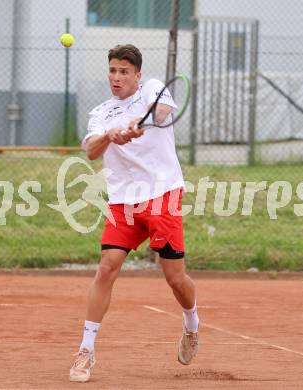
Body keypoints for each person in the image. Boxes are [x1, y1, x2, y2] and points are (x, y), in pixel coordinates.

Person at [69, 44, 199, 383]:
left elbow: (161, 113)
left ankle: (191, 324)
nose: (116, 77)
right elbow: (90, 151)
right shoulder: (101, 112)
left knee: (175, 279)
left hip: (162, 194)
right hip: (123, 201)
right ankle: (85, 350)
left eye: (124, 72)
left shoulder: (152, 89)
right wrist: (111, 135)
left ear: (137, 75)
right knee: (106, 269)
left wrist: (140, 124)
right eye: (112, 70)